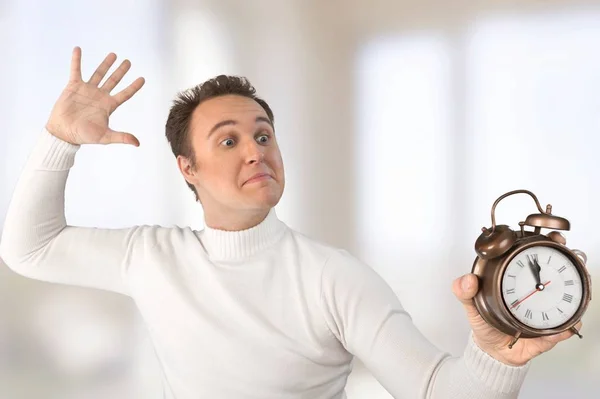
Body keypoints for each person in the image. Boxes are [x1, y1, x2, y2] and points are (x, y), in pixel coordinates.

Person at [0, 47, 581, 399]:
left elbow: (435, 392)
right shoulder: (152, 257)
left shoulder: (334, 278)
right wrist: (58, 142)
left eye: (262, 134)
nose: (256, 151)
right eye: (227, 140)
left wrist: (493, 358)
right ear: (188, 169)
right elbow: (29, 248)